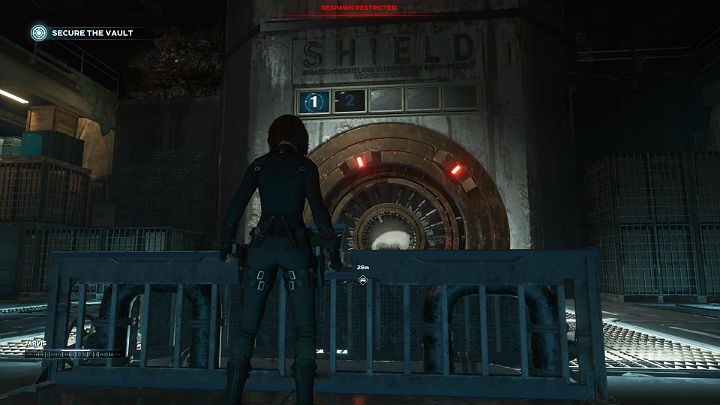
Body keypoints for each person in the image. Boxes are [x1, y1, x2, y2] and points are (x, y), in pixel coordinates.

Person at [219, 114, 342, 405]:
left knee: (247, 328)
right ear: (301, 140)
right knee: (305, 330)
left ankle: (232, 397)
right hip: (294, 248)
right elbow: (319, 210)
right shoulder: (305, 166)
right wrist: (333, 253)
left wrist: (224, 245)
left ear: (272, 138)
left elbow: (236, 206)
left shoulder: (259, 165)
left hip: (261, 247)